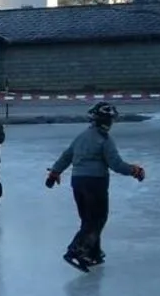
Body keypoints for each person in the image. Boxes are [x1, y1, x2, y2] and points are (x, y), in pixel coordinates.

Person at [46, 102, 145, 272]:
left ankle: (93, 253)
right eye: (111, 119)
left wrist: (55, 172)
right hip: (95, 182)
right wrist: (134, 170)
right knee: (97, 219)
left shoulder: (82, 136)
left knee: (88, 219)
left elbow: (67, 156)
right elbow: (115, 164)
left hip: (77, 182)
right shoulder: (105, 140)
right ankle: (76, 251)